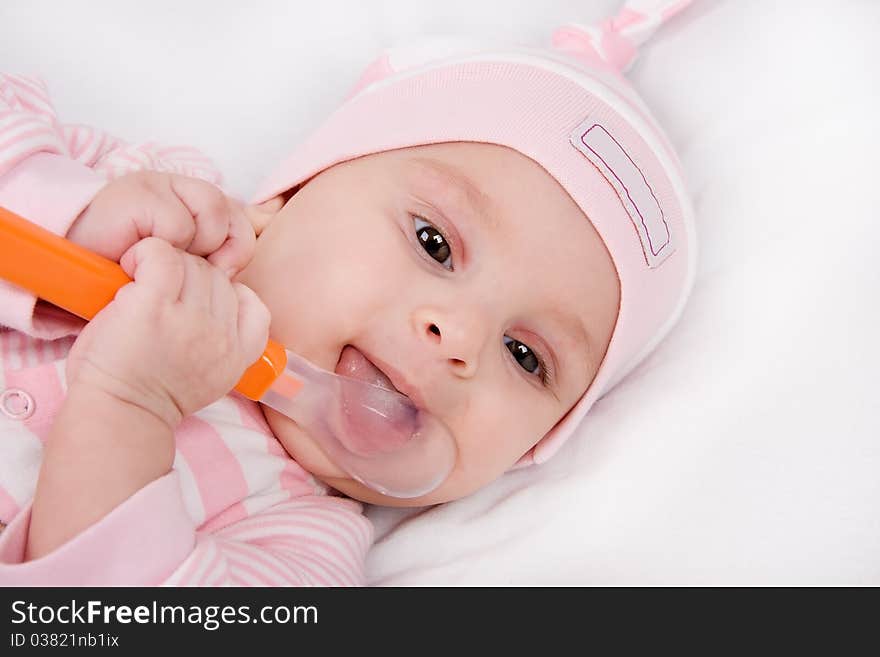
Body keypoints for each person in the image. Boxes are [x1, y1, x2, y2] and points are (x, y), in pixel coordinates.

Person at [0, 0, 696, 585]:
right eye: (435, 244)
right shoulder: (144, 196)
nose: (459, 338)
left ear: (529, 449)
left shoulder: (302, 547)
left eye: (525, 354)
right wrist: (66, 215)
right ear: (291, 195)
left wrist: (130, 407)